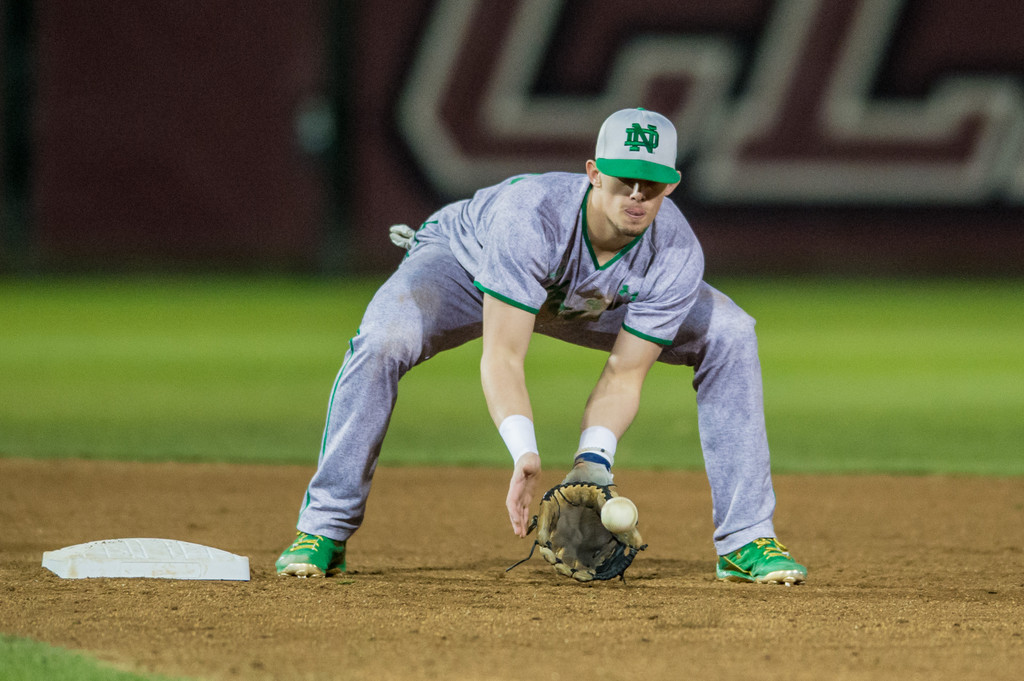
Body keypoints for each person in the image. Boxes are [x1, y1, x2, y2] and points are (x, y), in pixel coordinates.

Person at [276, 108, 807, 585]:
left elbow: (624, 375)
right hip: (466, 265)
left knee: (731, 333)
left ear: (672, 185)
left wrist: (593, 462)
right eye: (625, 181)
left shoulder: (675, 251)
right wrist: (524, 452)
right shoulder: (530, 216)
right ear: (594, 173)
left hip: (599, 297)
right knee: (385, 339)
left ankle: (745, 541)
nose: (638, 196)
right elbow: (503, 355)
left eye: (653, 183)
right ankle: (324, 528)